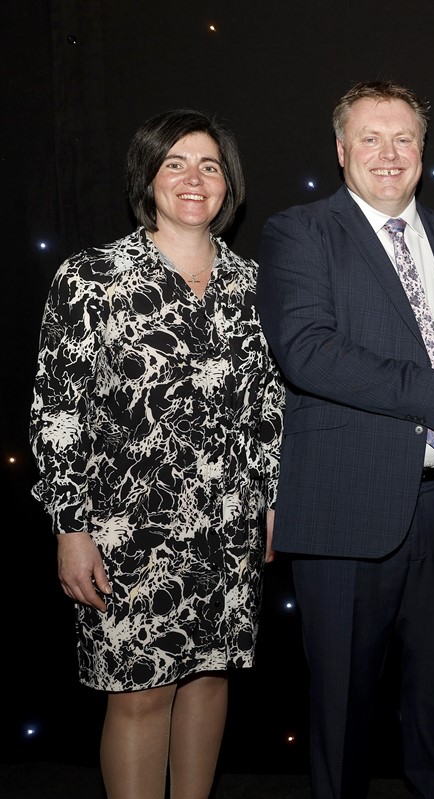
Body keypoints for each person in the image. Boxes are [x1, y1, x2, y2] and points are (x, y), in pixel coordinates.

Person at [256, 80, 434, 799]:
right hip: (348, 511)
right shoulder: (298, 233)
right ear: (341, 149)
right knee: (342, 713)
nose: (388, 153)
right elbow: (307, 351)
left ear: (423, 152)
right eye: (370, 137)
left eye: (404, 138)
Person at [30, 109, 283, 799]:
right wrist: (70, 526)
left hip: (228, 523)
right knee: (138, 694)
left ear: (229, 183)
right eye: (175, 163)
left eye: (208, 164)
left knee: (207, 677)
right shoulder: (91, 278)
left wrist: (267, 502)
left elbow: (267, 407)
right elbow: (57, 414)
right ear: (148, 176)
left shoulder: (256, 285)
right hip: (125, 532)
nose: (193, 178)